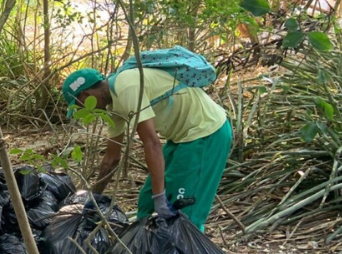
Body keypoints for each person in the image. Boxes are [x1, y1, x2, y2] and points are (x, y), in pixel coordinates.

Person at [62, 65, 231, 231]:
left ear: (85, 95)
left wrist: (160, 199)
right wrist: (95, 196)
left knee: (185, 212)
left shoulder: (127, 87)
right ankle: (143, 246)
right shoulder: (114, 105)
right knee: (146, 201)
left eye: (79, 105)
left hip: (205, 132)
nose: (83, 110)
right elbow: (111, 158)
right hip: (181, 137)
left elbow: (152, 143)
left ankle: (188, 253)